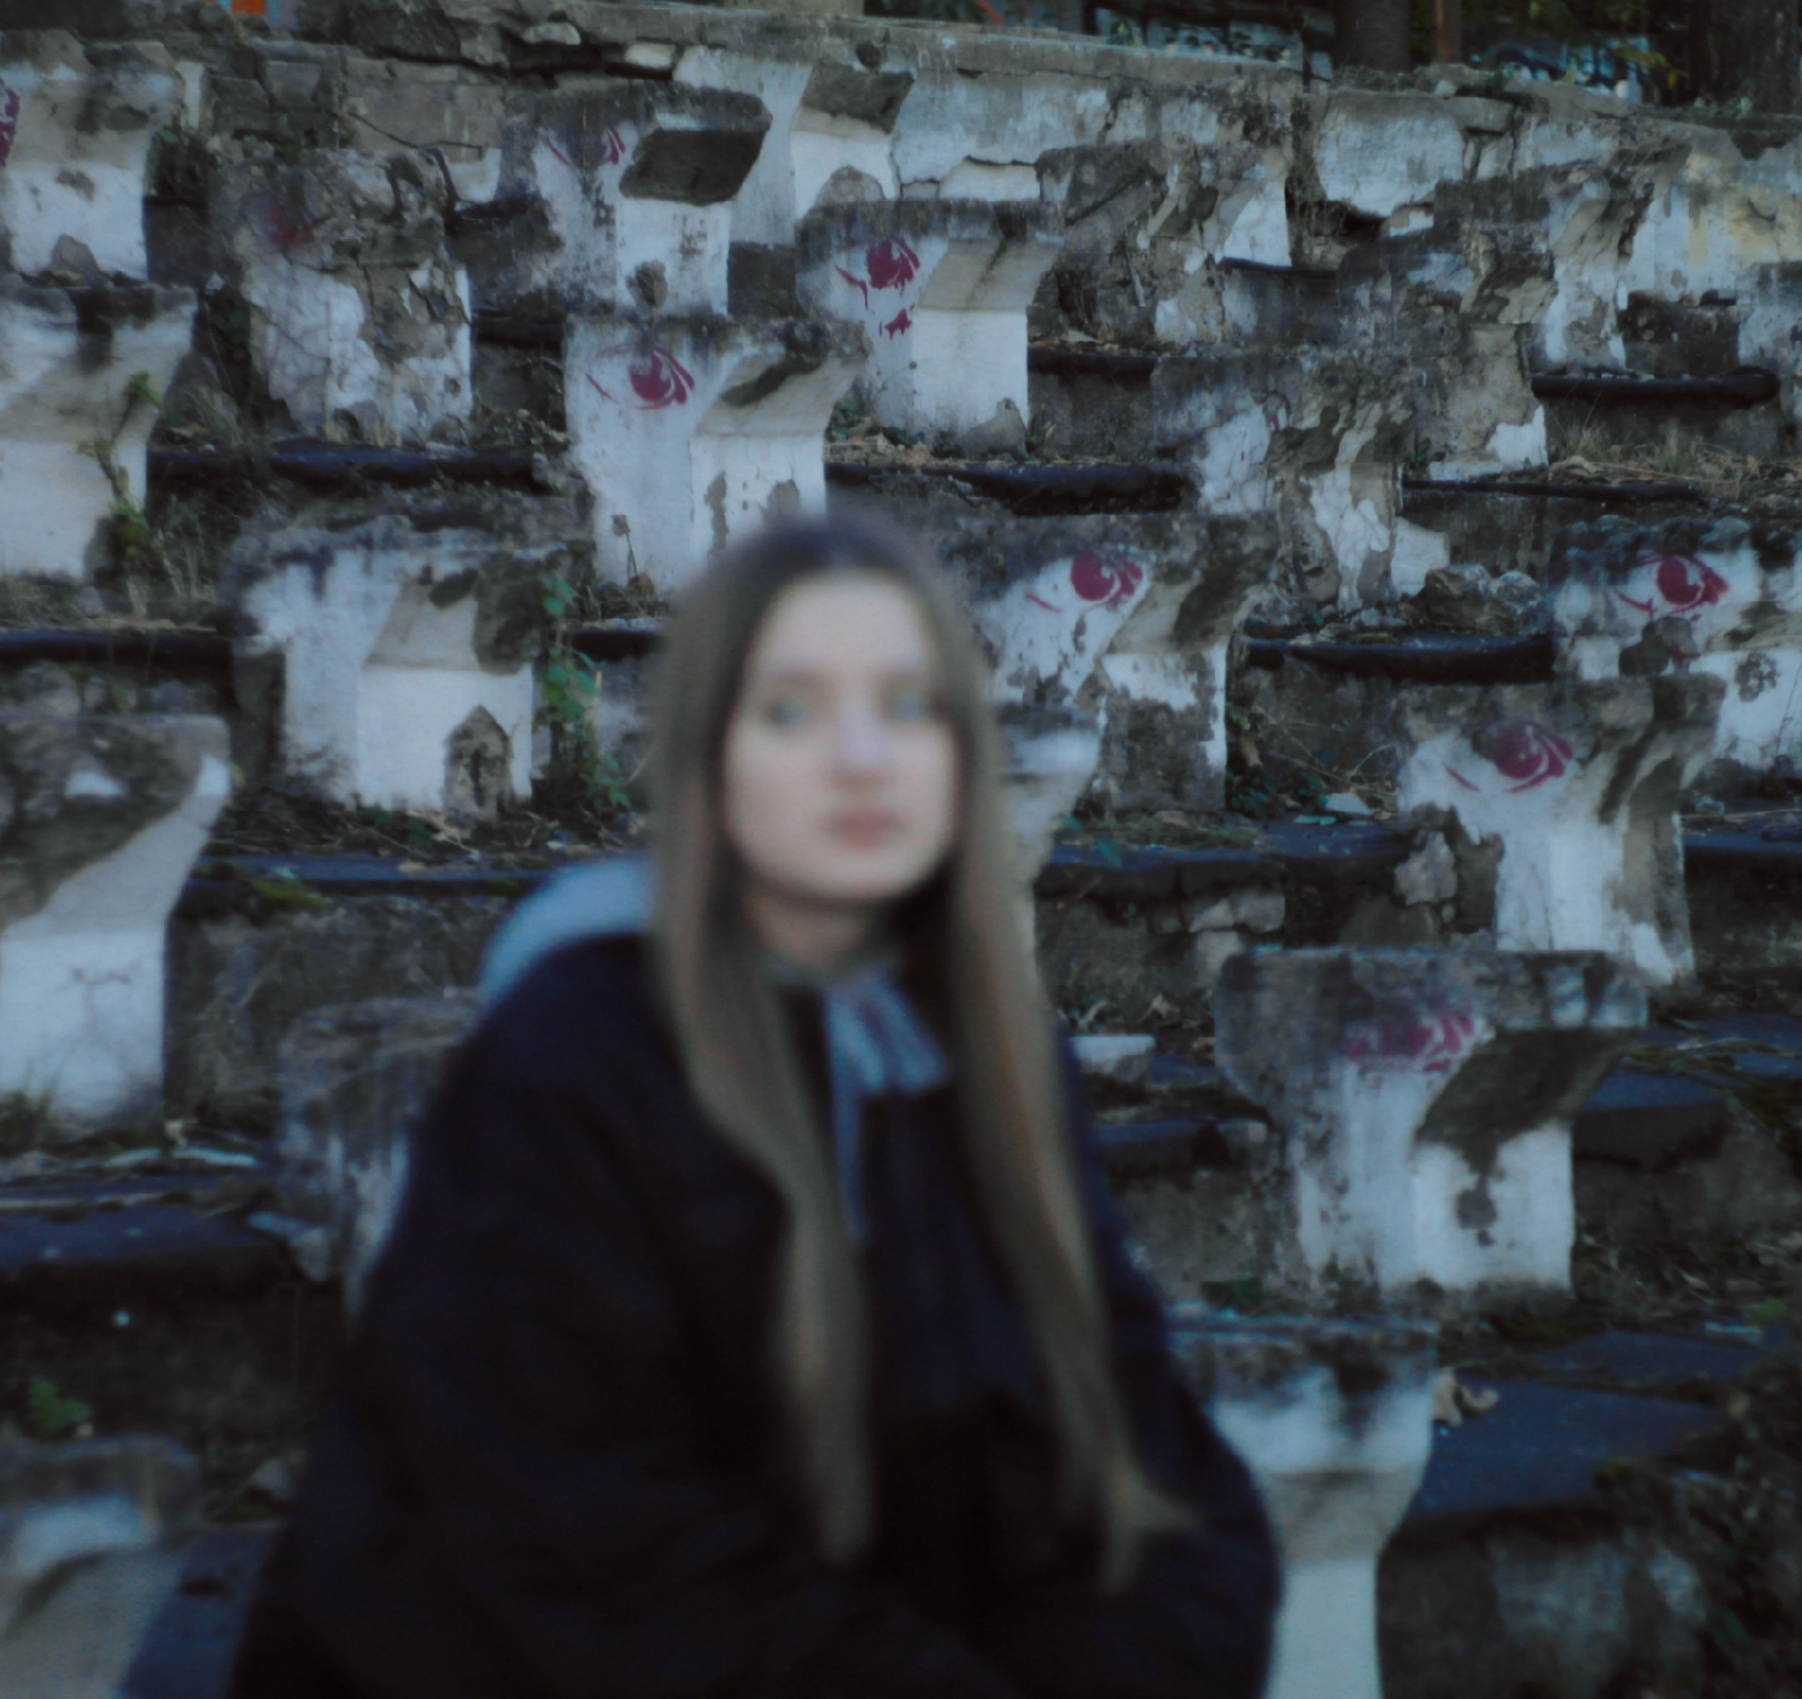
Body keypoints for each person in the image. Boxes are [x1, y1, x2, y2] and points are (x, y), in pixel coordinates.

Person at [227, 517, 1282, 1698]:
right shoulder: (574, 1058)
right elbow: (591, 1542)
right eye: (792, 710)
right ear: (709, 759)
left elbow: (1151, 1462)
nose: (860, 758)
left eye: (906, 705)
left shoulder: (989, 1054)